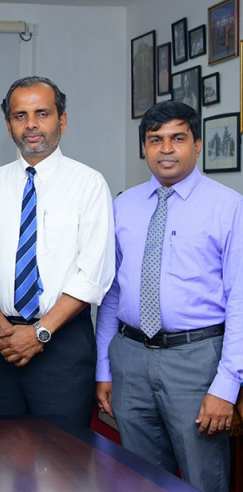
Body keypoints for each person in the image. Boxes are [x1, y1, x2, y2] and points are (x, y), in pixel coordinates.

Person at [95, 101, 242, 492]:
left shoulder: (229, 207)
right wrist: (104, 368)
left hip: (196, 362)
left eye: (178, 138)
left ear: (197, 144)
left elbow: (241, 301)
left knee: (202, 478)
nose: (166, 149)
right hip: (130, 358)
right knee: (139, 477)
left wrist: (226, 387)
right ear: (144, 147)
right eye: (155, 139)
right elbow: (111, 293)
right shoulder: (123, 205)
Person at [0, 76, 114, 427]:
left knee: (62, 453)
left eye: (42, 114)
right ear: (8, 126)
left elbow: (93, 275)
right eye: (20, 116)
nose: (31, 124)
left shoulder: (89, 184)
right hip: (0, 346)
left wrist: (40, 332)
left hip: (62, 347)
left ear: (63, 120)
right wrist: (0, 328)